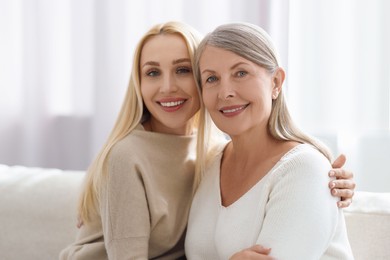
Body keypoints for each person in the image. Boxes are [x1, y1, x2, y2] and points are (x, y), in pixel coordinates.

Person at [60, 21, 355, 260]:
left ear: (276, 83)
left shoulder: (215, 155)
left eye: (183, 70)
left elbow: (296, 165)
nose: (167, 86)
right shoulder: (151, 157)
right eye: (212, 78)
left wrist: (328, 176)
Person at [185, 22, 354, 259]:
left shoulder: (304, 169)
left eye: (240, 73)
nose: (225, 92)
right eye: (212, 79)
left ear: (275, 83)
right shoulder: (211, 163)